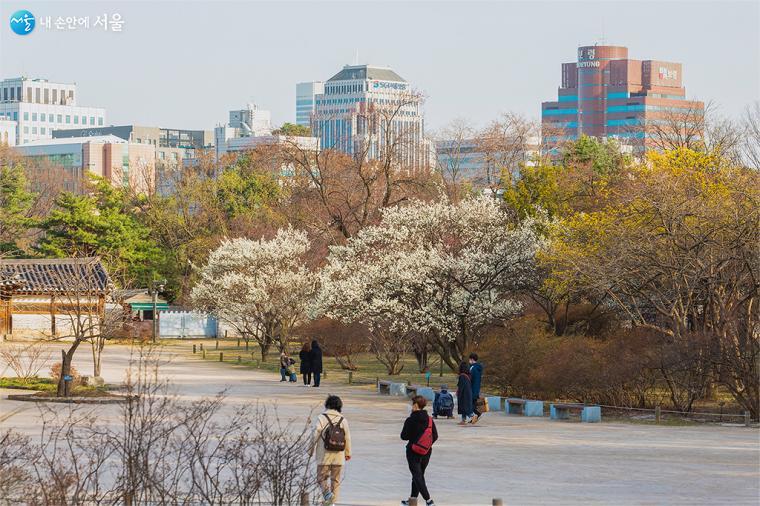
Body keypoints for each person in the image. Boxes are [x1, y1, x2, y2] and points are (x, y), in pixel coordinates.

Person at [311, 395, 351, 506]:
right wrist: (348, 453)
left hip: (324, 455)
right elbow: (347, 437)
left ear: (327, 405)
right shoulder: (343, 420)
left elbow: (315, 434)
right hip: (338, 455)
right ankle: (332, 503)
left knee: (321, 478)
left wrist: (311, 449)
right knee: (336, 481)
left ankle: (328, 495)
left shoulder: (321, 418)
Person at [400, 395, 438, 506]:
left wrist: (415, 440)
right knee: (418, 475)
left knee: (417, 476)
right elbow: (435, 435)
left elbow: (403, 436)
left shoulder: (410, 420)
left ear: (416, 405)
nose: (411, 406)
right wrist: (426, 445)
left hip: (413, 452)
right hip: (427, 452)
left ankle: (428, 500)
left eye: (412, 404)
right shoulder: (430, 420)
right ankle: (412, 499)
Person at [469, 353, 484, 423]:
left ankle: (477, 414)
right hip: (476, 388)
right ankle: (474, 418)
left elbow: (470, 378)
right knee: (473, 404)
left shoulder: (472, 368)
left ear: (472, 359)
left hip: (471, 389)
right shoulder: (479, 368)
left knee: (469, 405)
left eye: (469, 359)